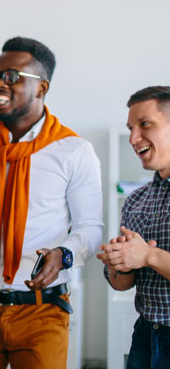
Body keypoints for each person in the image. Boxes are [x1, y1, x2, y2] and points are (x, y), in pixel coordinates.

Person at [0, 37, 103, 368]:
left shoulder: (73, 150)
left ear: (41, 88)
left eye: (12, 76)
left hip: (41, 313)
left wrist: (64, 255)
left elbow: (90, 229)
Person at [97, 86, 170, 369]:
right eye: (130, 128)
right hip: (145, 337)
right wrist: (121, 263)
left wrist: (148, 256)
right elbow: (122, 283)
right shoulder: (136, 200)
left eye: (145, 124)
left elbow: (146, 257)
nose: (133, 138)